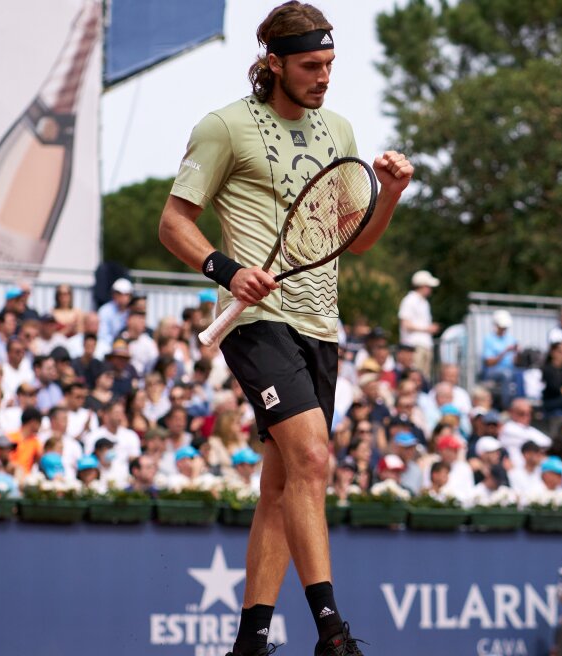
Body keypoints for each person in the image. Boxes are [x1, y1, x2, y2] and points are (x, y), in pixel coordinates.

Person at [157, 4, 413, 653]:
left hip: (320, 328)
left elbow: (355, 243)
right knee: (312, 458)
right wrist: (226, 268)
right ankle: (333, 631)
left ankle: (251, 641)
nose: (324, 77)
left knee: (281, 487)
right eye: (310, 65)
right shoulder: (224, 126)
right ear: (273, 62)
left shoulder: (341, 130)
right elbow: (173, 223)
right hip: (256, 323)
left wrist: (390, 195)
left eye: (329, 64)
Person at [398, 270, 440, 378]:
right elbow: (405, 324)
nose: (430, 289)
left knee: (424, 377)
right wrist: (427, 329)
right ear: (422, 286)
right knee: (415, 376)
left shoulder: (424, 302)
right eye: (428, 286)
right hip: (414, 346)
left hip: (425, 345)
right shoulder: (409, 300)